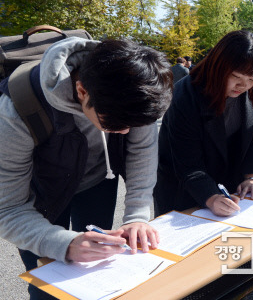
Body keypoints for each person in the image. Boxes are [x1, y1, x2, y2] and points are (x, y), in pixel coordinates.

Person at [0, 38, 172, 299]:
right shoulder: (15, 113)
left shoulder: (136, 89)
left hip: (97, 180)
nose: (125, 132)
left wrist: (137, 215)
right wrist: (65, 244)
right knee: (49, 282)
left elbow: (142, 152)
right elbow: (8, 208)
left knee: (97, 266)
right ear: (81, 91)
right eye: (115, 124)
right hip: (39, 193)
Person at [154, 30, 253, 218]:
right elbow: (186, 161)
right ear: (218, 67)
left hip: (228, 188)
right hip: (184, 189)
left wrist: (252, 177)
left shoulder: (252, 91)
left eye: (251, 79)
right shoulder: (185, 96)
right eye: (236, 77)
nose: (243, 86)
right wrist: (210, 196)